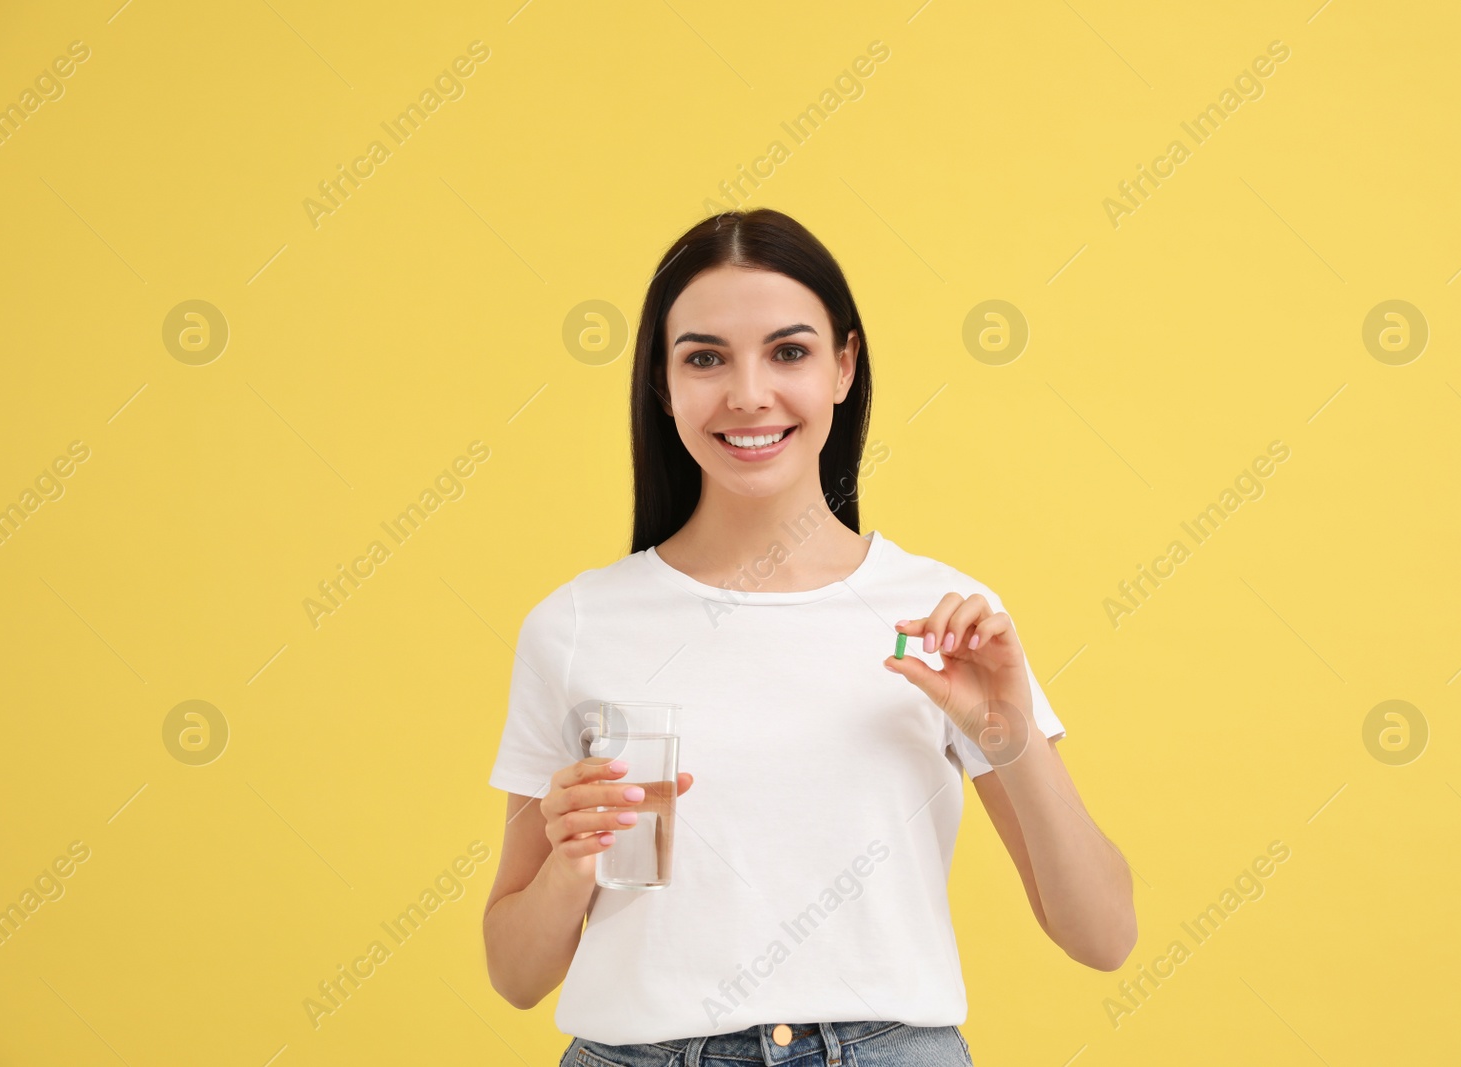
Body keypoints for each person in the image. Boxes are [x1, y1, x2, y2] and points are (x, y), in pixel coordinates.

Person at [482, 208, 1136, 1066]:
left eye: (788, 351)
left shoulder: (939, 617)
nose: (748, 393)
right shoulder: (575, 626)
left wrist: (1010, 734)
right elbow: (516, 971)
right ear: (661, 382)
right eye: (705, 357)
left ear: (843, 365)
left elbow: (1103, 934)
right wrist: (570, 864)